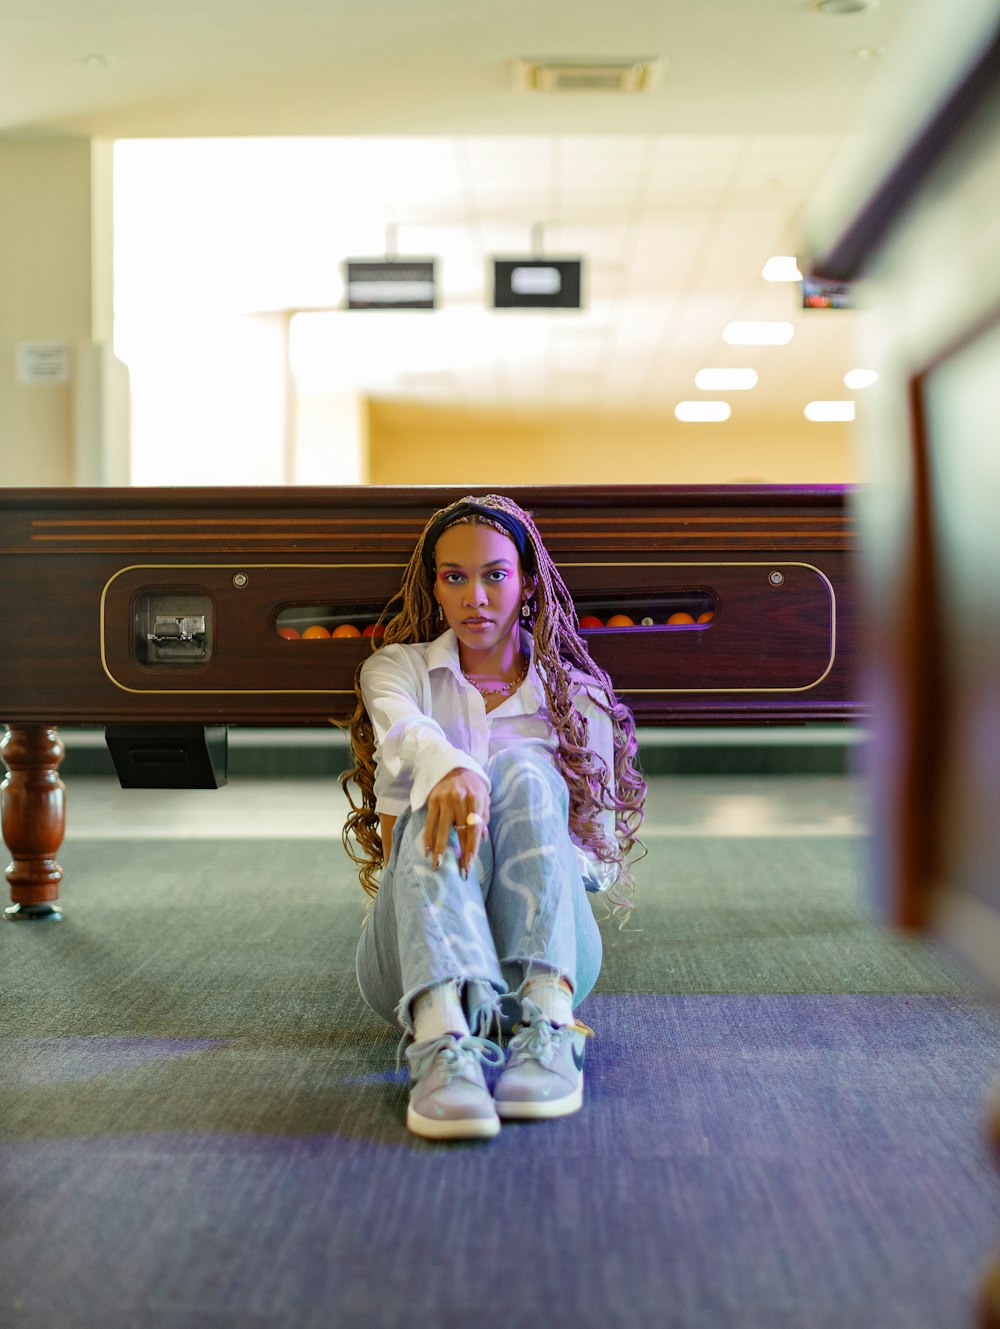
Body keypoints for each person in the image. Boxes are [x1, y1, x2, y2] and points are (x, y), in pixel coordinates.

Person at [340, 494, 646, 1141]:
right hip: (416, 954)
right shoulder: (398, 672)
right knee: (442, 776)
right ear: (436, 587)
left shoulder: (577, 696)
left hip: (545, 949)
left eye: (495, 574)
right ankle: (440, 1039)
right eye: (456, 576)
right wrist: (452, 769)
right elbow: (408, 734)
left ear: (527, 582)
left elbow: (599, 859)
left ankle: (547, 1024)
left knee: (528, 770)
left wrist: (520, 824)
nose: (475, 595)